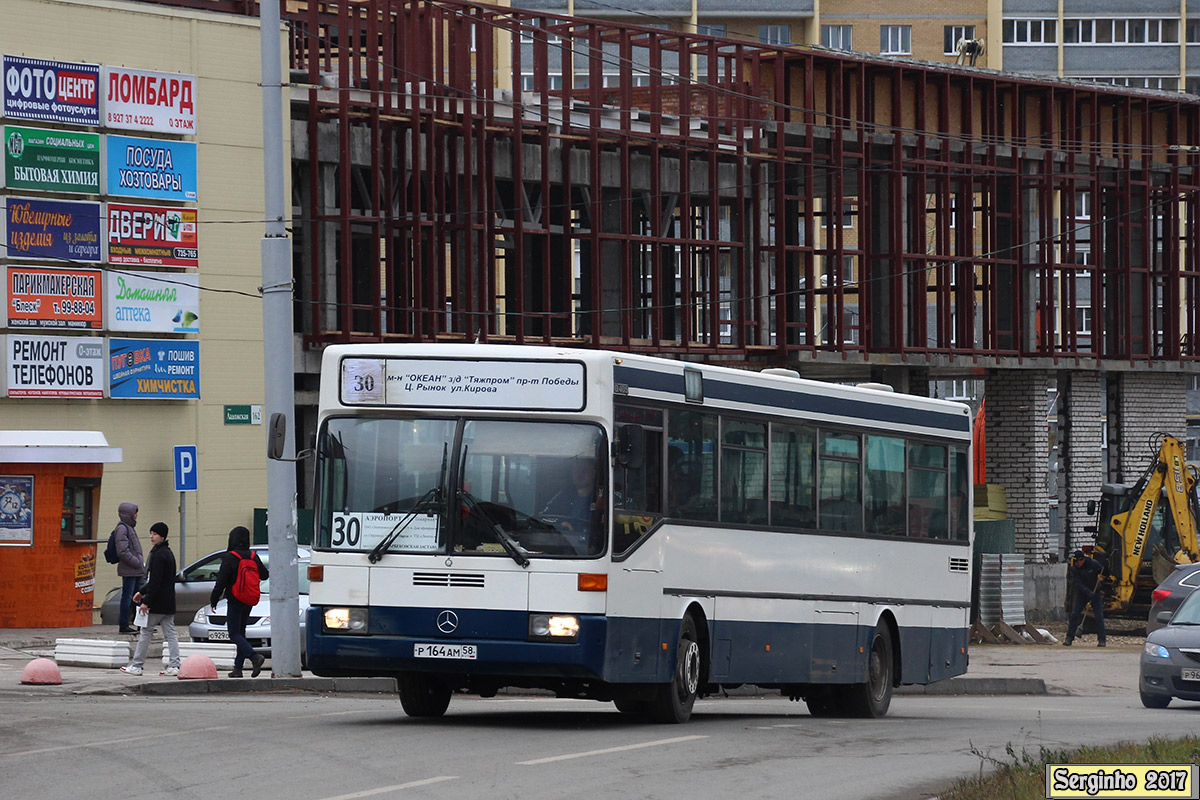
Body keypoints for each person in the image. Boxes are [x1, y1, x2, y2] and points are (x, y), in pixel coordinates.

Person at [120, 522, 181, 676]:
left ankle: (137, 665)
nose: (151, 536)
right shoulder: (168, 553)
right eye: (151, 533)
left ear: (162, 536)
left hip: (158, 602)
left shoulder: (159, 554)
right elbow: (159, 580)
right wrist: (141, 592)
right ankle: (175, 665)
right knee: (171, 633)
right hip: (169, 601)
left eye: (154, 534)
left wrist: (146, 601)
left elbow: (155, 581)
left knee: (146, 632)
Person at [210, 526, 269, 677]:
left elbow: (221, 581)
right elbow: (264, 575)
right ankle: (238, 668)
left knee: (234, 633)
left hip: (235, 599)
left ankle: (254, 657)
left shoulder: (230, 557)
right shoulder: (253, 556)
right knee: (241, 633)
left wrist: (214, 600)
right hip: (249, 599)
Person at [541, 457, 600, 554]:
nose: (579, 474)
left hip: (594, 550)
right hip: (565, 546)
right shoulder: (563, 495)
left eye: (584, 470)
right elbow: (544, 516)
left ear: (593, 473)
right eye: (576, 470)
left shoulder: (604, 498)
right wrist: (560, 523)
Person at [112, 502, 145, 634]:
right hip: (130, 569)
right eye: (135, 513)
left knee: (137, 597)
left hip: (135, 570)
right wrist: (137, 562)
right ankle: (124, 625)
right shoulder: (122, 528)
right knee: (128, 597)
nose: (136, 515)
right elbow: (123, 551)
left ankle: (140, 624)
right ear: (128, 514)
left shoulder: (129, 527)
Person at [1065, 549, 1107, 647]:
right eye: (1074, 562)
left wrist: (1105, 565)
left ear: (1082, 559)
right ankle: (1069, 638)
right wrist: (1088, 592)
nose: (1076, 563)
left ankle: (1102, 639)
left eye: (1077, 561)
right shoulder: (1074, 569)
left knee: (1099, 616)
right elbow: (1078, 583)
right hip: (1083, 593)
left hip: (1095, 592)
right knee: (1075, 614)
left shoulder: (1093, 564)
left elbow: (1104, 572)